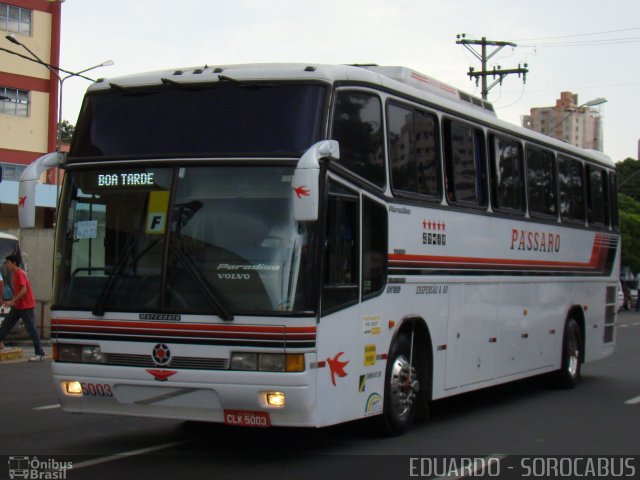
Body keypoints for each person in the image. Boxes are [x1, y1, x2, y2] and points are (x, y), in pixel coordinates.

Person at [0, 255, 45, 361]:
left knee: (31, 329)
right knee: (6, 325)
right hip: (18, 306)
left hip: (26, 306)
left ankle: (40, 353)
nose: (6, 264)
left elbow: (23, 290)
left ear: (14, 263)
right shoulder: (15, 274)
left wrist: (12, 301)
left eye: (8, 262)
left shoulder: (20, 273)